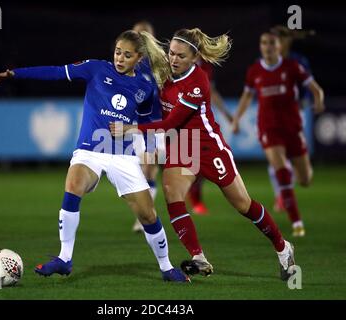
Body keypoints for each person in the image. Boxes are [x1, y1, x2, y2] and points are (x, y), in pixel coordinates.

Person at [0, 30, 189, 282]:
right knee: (73, 184)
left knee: (148, 215)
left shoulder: (145, 86)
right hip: (90, 150)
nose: (120, 58)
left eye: (127, 55)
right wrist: (15, 74)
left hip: (123, 155)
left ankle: (167, 268)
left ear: (139, 58)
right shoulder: (95, 69)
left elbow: (148, 121)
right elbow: (57, 72)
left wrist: (148, 147)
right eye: (117, 52)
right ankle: (65, 258)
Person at [110, 28, 297, 281]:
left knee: (243, 205)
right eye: (171, 53)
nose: (173, 60)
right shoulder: (164, 70)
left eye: (181, 56)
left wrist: (131, 128)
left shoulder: (197, 82)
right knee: (172, 193)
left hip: (208, 146)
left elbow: (169, 125)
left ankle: (283, 247)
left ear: (194, 58)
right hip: (184, 145)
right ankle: (198, 257)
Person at [232, 31, 325, 237]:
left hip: (292, 128)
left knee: (305, 179)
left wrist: (318, 100)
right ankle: (296, 222)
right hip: (269, 129)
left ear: (279, 46)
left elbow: (315, 88)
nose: (267, 46)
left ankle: (287, 172)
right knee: (281, 171)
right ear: (260, 46)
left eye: (271, 43)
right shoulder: (254, 70)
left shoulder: (292, 67)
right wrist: (236, 119)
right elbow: (247, 96)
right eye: (264, 42)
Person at [267, 25, 316, 213]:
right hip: (270, 116)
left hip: (294, 114)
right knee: (275, 158)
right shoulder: (264, 61)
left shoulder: (297, 61)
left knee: (302, 172)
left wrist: (307, 103)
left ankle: (292, 181)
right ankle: (281, 194)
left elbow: (308, 87)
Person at [130, 20, 166, 232]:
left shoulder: (160, 63)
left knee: (149, 169)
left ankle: (145, 218)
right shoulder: (129, 63)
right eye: (137, 34)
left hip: (156, 125)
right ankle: (146, 215)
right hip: (134, 126)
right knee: (141, 174)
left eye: (145, 35)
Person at [187, 58, 233, 215]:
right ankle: (191, 201)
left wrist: (227, 115)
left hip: (201, 122)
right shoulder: (176, 63)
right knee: (185, 167)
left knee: (200, 165)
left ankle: (194, 199)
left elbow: (211, 92)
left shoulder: (206, 67)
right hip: (181, 122)